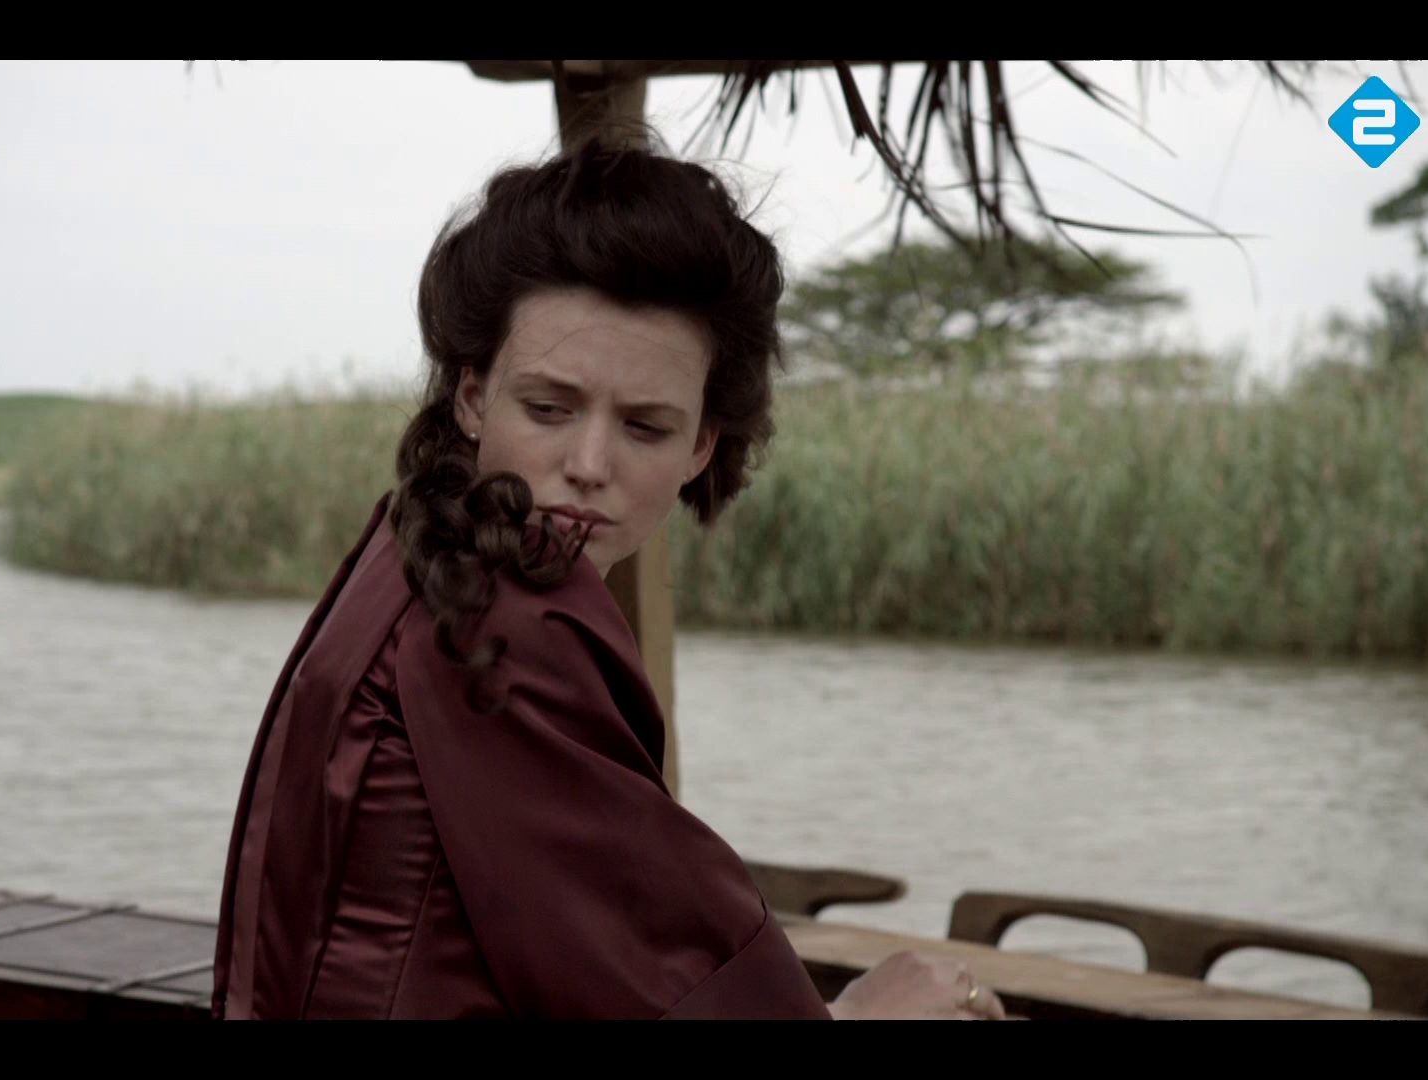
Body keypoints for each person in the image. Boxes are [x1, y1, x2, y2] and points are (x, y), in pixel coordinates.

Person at [210, 130, 1009, 1020]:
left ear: (701, 446)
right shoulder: (502, 617)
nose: (589, 466)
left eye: (646, 428)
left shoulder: (412, 550)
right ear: (472, 396)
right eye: (548, 408)